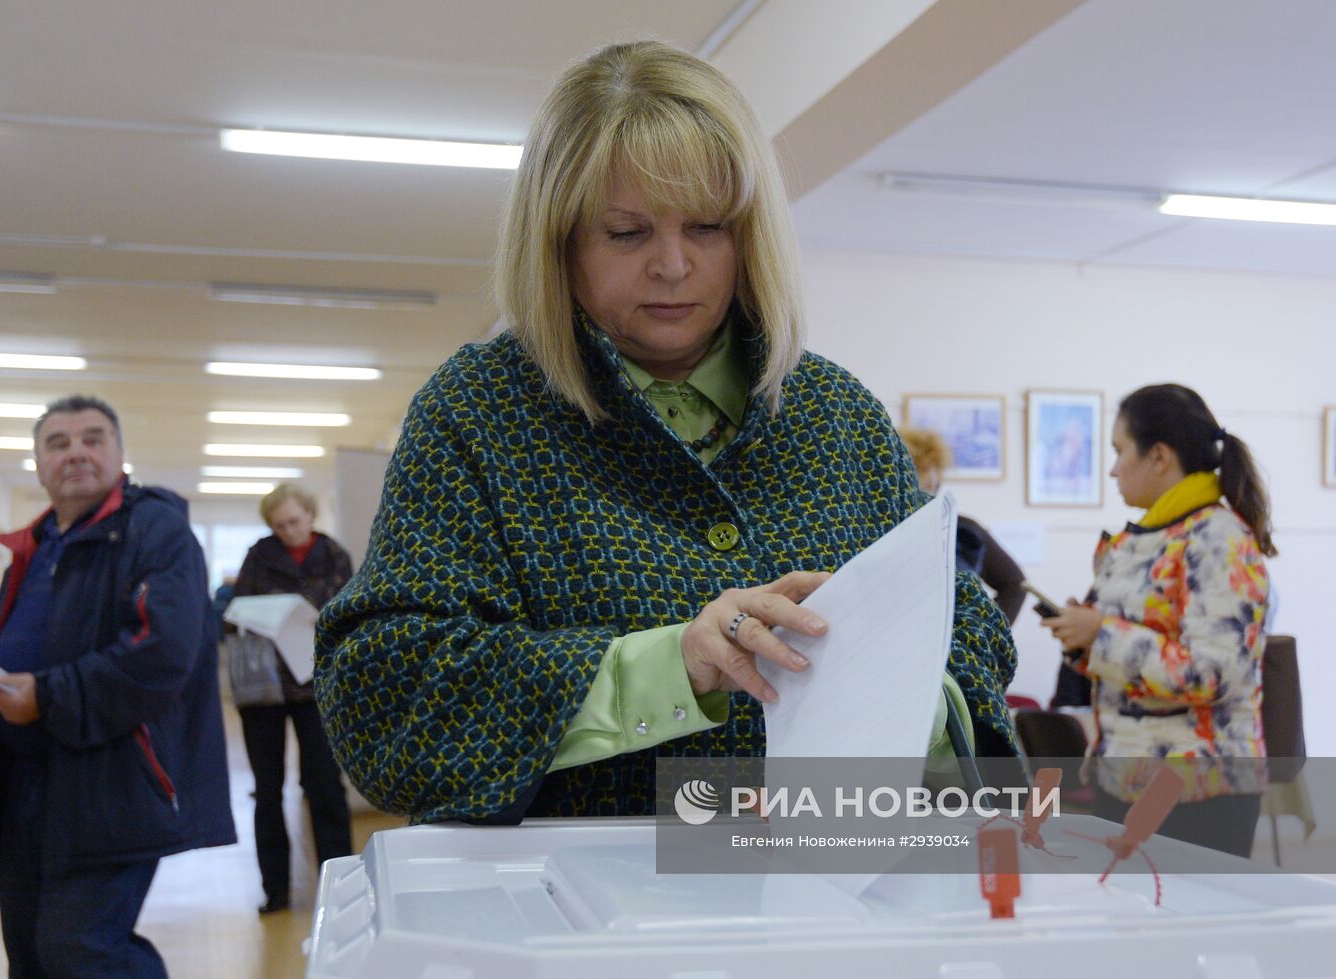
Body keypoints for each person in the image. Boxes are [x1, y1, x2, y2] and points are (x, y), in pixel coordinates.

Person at [314, 40, 1019, 825]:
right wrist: (669, 665)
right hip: (573, 921)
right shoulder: (480, 412)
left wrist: (896, 682)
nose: (674, 266)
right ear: (559, 240)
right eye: (626, 232)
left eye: (709, 227)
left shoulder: (836, 414)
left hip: (827, 902)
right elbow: (383, 694)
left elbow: (969, 634)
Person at [0, 395, 235, 977]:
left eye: (92, 438)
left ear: (120, 453)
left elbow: (163, 650)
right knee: (31, 954)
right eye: (57, 443)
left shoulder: (153, 528)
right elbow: (11, 651)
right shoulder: (34, 547)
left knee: (82, 951)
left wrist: (50, 696)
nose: (75, 452)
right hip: (26, 786)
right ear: (38, 464)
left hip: (111, 780)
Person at [1043, 383, 1273, 857]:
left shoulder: (1218, 540)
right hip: (1124, 776)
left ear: (1160, 457)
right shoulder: (1142, 537)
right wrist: (1084, 637)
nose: (1112, 468)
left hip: (1199, 791)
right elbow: (1136, 653)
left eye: (1119, 451)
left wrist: (1102, 635)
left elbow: (1212, 672)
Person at [233, 484, 353, 914]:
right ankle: (275, 890)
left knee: (324, 785)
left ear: (310, 514)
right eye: (279, 525)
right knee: (266, 790)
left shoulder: (335, 555)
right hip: (264, 688)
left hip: (315, 683)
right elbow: (237, 610)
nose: (288, 531)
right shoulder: (258, 555)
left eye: (295, 522)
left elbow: (347, 610)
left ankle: (338, 883)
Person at [900, 427, 1027, 624]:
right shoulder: (874, 531)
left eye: (931, 485)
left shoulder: (964, 530)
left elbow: (1014, 584)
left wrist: (989, 636)